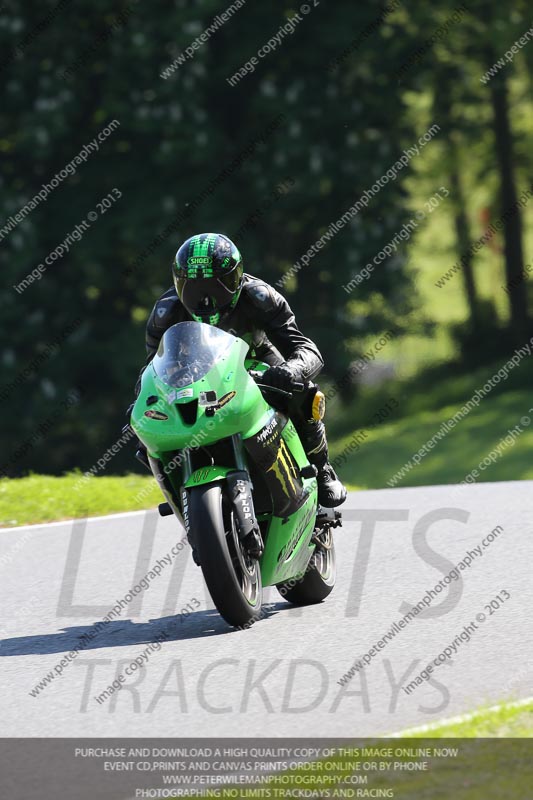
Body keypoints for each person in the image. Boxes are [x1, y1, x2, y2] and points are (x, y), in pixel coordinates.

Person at [134, 232, 347, 508]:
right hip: (199, 376)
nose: (207, 299)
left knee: (304, 394)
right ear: (178, 284)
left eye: (219, 285)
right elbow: (153, 367)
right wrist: (144, 398)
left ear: (237, 278)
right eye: (194, 289)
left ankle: (322, 469)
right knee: (141, 428)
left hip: (257, 362)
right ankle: (181, 497)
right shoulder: (166, 311)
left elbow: (304, 347)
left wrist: (292, 370)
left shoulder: (259, 296)